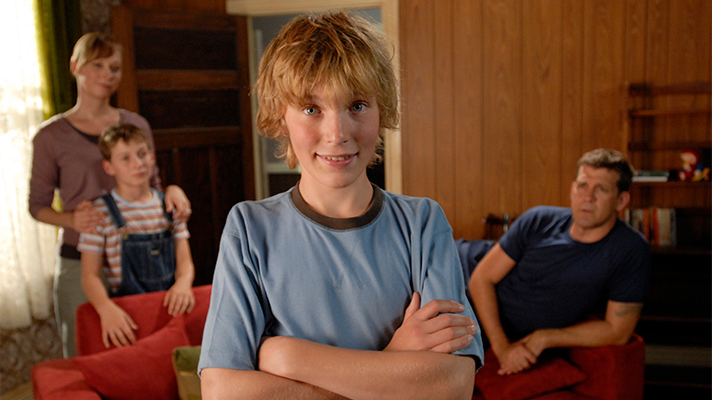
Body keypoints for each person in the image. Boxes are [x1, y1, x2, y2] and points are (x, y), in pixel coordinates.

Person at [198, 10, 483, 400]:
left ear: (383, 109)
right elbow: (223, 392)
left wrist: (290, 357)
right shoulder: (249, 229)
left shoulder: (422, 222)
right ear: (280, 116)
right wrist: (393, 361)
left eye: (358, 105)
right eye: (311, 109)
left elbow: (452, 384)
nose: (337, 134)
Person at [28, 32, 191, 357]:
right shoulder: (50, 136)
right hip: (80, 259)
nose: (107, 75)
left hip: (140, 257)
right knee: (85, 353)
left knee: (144, 352)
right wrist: (71, 219)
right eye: (97, 65)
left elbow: (153, 183)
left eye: (114, 68)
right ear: (75, 66)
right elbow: (37, 207)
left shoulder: (135, 124)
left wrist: (173, 190)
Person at [468, 148, 651, 376]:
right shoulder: (538, 219)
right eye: (582, 186)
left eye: (601, 189)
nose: (588, 197)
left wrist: (546, 337)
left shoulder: (630, 249)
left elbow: (618, 331)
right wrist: (503, 349)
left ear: (621, 200)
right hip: (463, 275)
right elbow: (481, 279)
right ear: (573, 189)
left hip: (494, 323)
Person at [77, 123, 196, 349]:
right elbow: (89, 276)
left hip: (170, 308)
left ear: (152, 157)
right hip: (126, 315)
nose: (137, 164)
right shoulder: (98, 214)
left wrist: (183, 283)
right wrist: (105, 308)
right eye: (125, 158)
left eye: (142, 154)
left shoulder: (171, 206)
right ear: (108, 167)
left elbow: (185, 262)